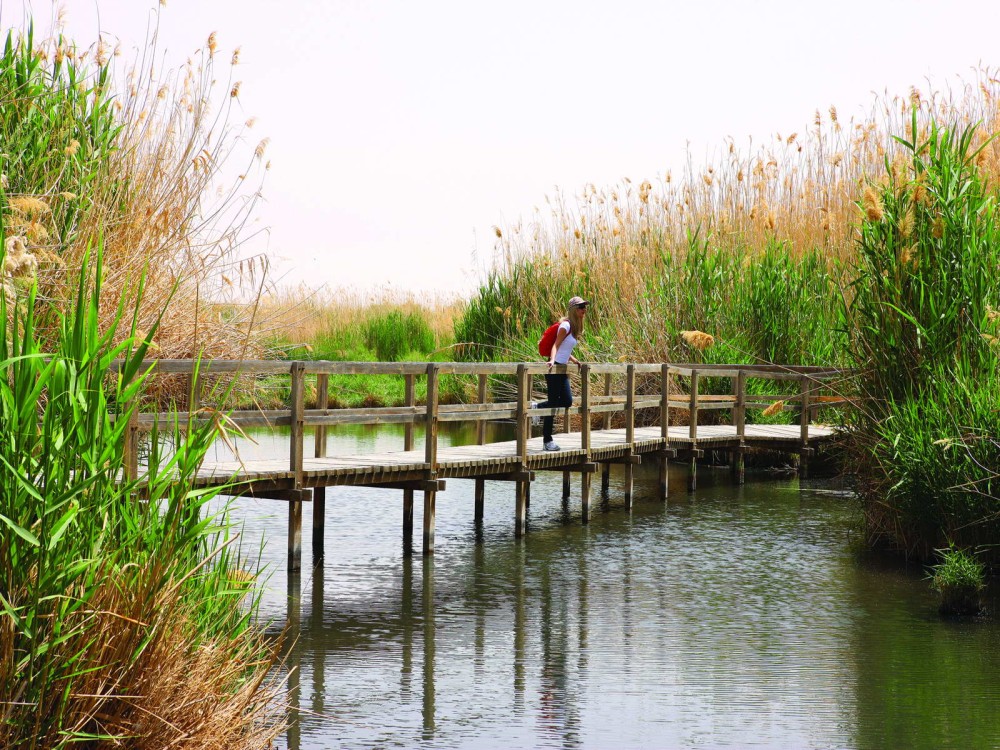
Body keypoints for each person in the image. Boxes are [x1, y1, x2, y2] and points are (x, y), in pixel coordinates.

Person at [536, 295, 587, 451]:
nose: (584, 310)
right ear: (573, 310)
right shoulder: (565, 326)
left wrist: (574, 360)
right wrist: (552, 360)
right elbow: (556, 346)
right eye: (581, 307)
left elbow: (566, 348)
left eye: (585, 307)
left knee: (567, 401)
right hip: (555, 368)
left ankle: (537, 407)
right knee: (552, 403)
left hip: (562, 367)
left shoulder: (574, 326)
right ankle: (547, 441)